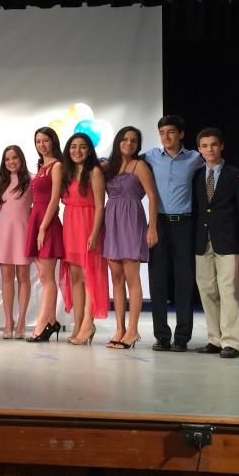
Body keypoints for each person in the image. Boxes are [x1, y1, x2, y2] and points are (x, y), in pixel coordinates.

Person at [144, 115, 204, 352]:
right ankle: (161, 336)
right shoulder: (150, 157)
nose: (165, 137)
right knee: (157, 281)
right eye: (162, 132)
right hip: (158, 225)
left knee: (184, 282)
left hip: (184, 225)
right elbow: (124, 161)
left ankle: (182, 338)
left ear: (180, 134)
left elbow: (215, 166)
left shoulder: (195, 158)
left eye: (170, 132)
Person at [102, 126, 158, 349]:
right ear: (118, 141)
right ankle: (120, 328)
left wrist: (152, 227)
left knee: (131, 276)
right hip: (111, 221)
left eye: (134, 140)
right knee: (116, 278)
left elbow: (152, 196)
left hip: (131, 220)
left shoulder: (140, 165)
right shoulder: (109, 166)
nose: (128, 143)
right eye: (124, 139)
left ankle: (133, 330)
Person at [192, 128, 239, 359]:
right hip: (202, 240)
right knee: (207, 290)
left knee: (228, 290)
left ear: (221, 146)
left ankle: (231, 341)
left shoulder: (236, 175)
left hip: (228, 239)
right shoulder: (195, 175)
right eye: (204, 146)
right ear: (199, 149)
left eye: (213, 144)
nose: (209, 149)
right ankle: (214, 338)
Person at [60, 132, 108, 345]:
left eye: (82, 147)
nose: (77, 151)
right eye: (73, 146)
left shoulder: (95, 172)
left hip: (88, 226)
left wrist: (95, 233)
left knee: (90, 277)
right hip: (70, 226)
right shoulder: (68, 172)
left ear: (89, 150)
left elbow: (99, 205)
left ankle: (89, 324)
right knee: (75, 278)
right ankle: (78, 324)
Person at [24, 127, 65, 343]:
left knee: (48, 278)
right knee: (44, 277)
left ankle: (41, 325)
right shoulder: (41, 167)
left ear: (53, 142)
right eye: (38, 141)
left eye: (46, 140)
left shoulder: (57, 166)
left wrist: (42, 228)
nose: (42, 144)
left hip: (47, 223)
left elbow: (55, 199)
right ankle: (52, 321)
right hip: (36, 219)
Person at [0, 145, 32, 339]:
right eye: (7, 159)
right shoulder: (2, 182)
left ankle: (22, 321)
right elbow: (7, 204)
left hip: (23, 232)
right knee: (6, 277)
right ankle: (9, 320)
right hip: (4, 233)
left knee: (23, 276)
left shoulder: (31, 179)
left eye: (14, 157)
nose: (11, 162)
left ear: (21, 158)